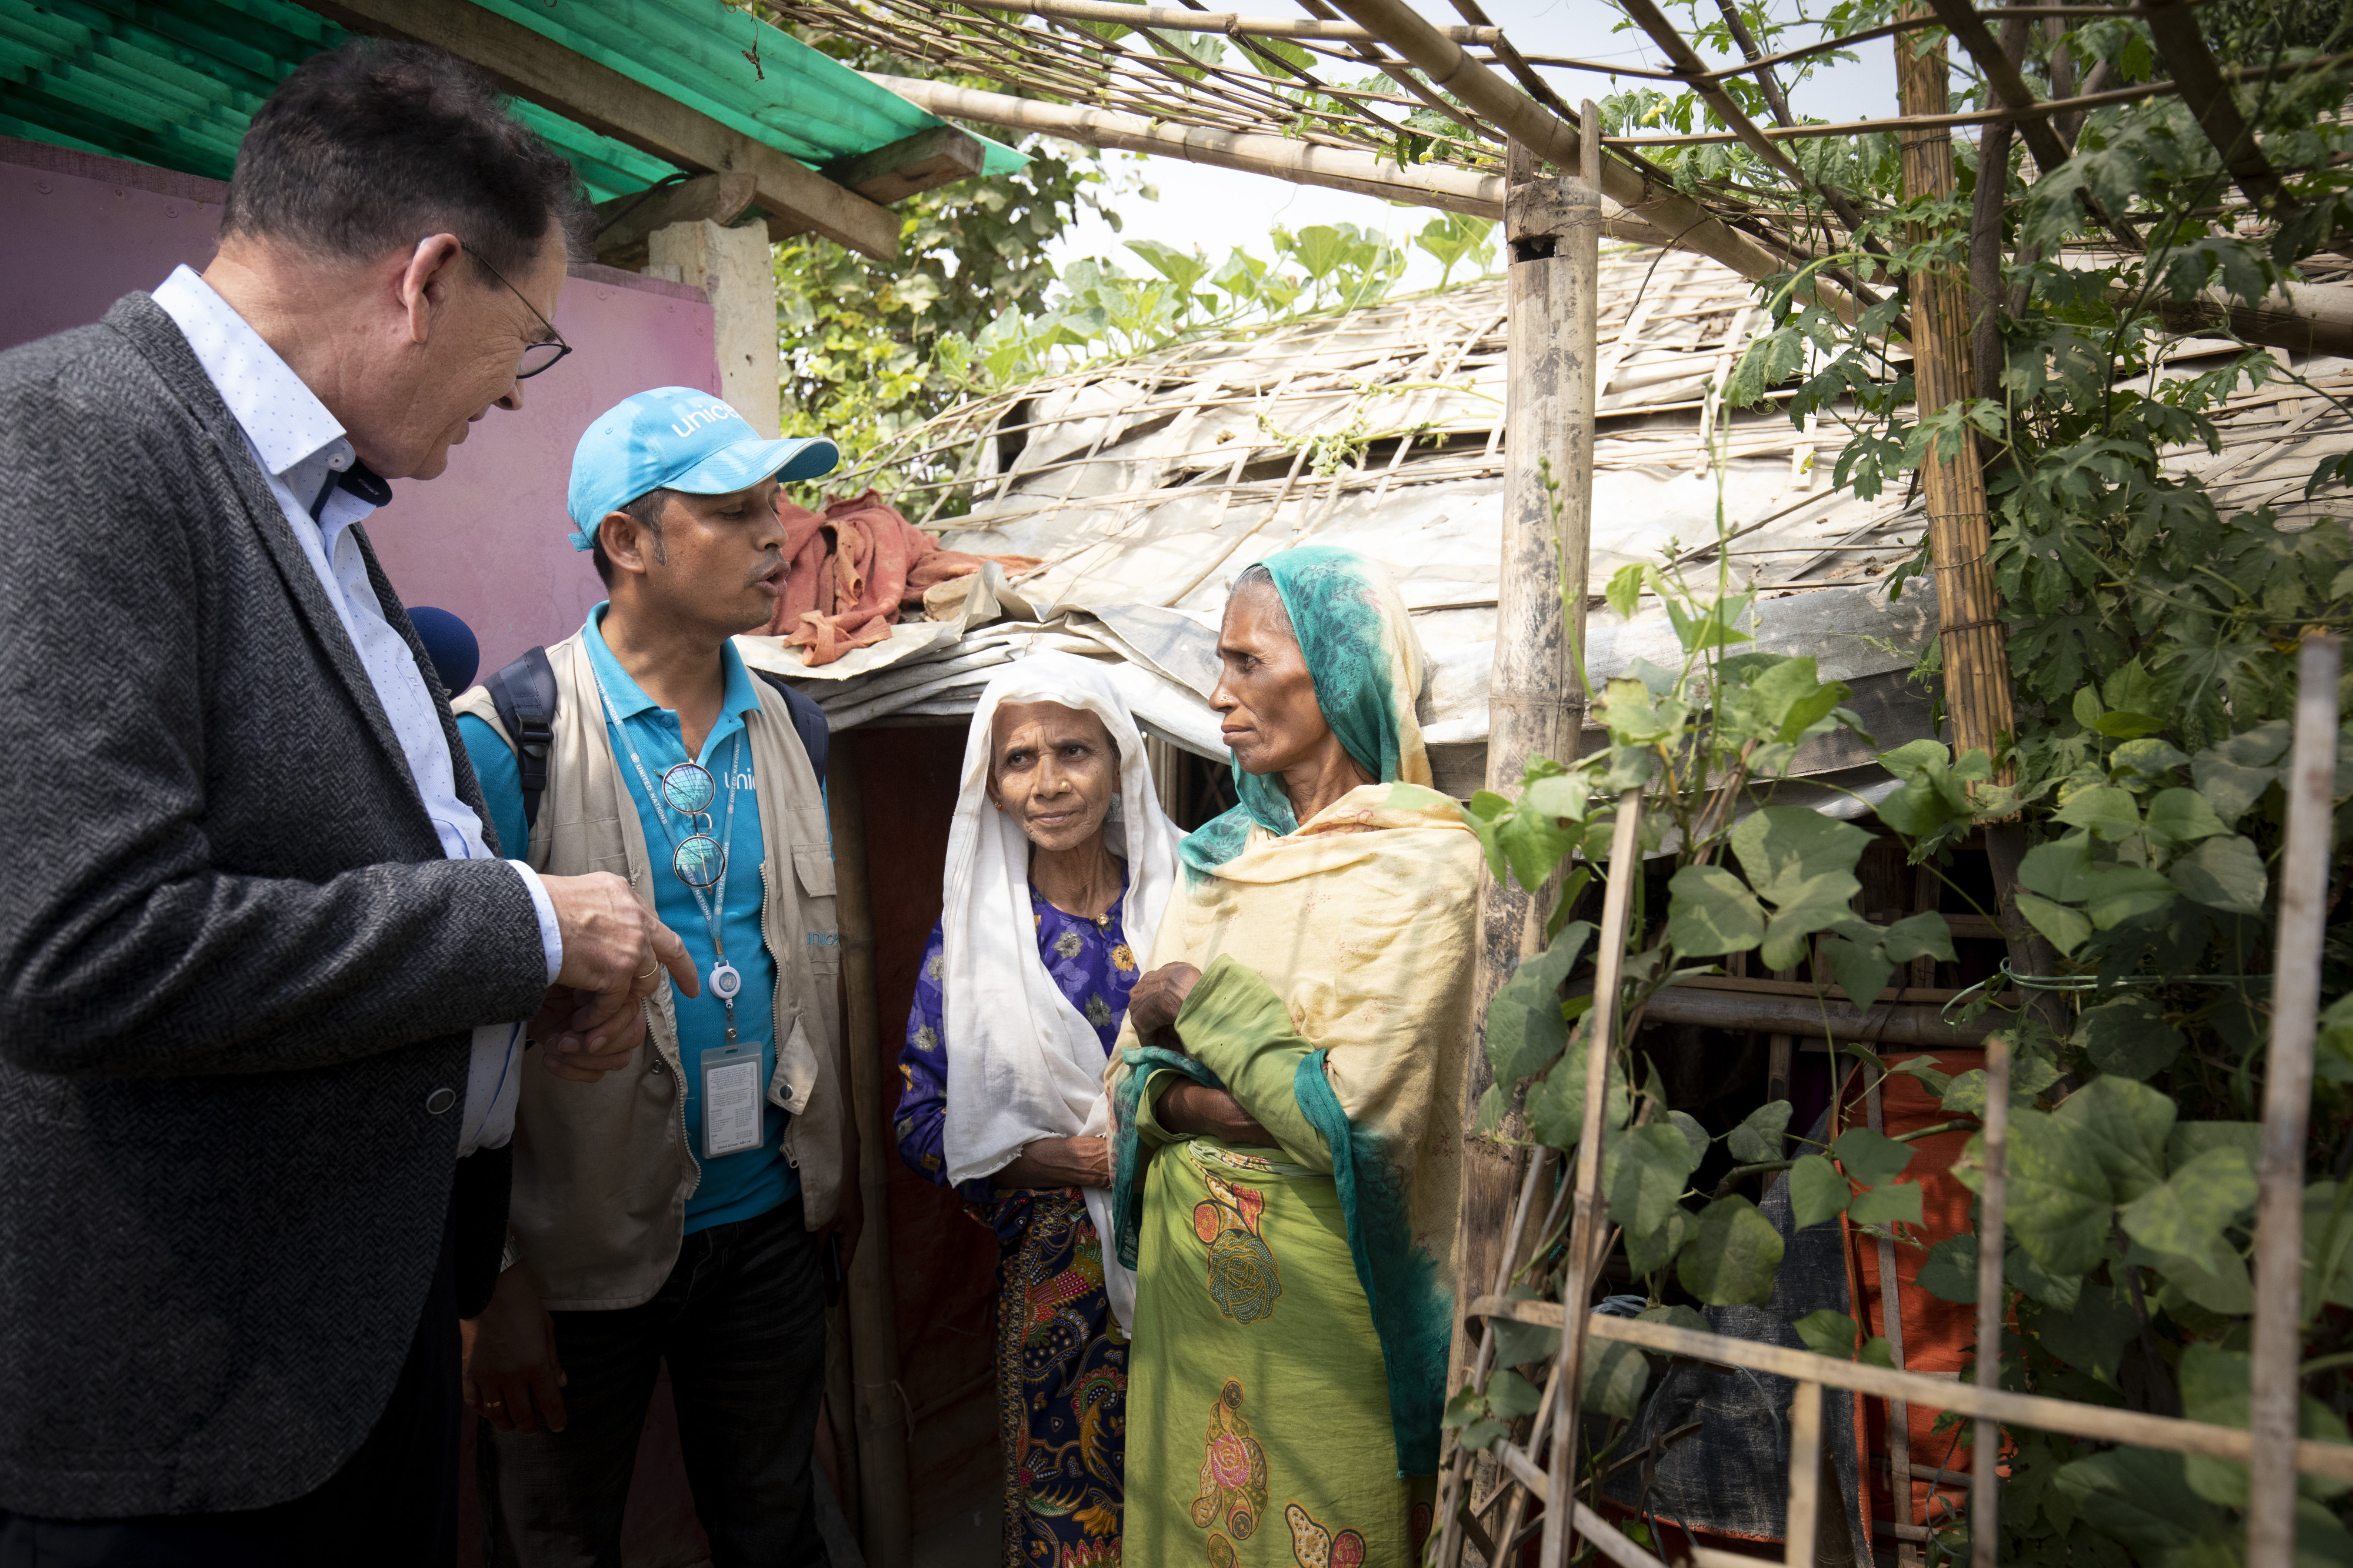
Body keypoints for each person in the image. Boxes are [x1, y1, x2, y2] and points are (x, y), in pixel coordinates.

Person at [0, 41, 693, 1567]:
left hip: (348, 1367)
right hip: (182, 1438)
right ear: (425, 278)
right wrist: (517, 929)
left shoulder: (314, 509)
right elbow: (76, 943)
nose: (520, 391)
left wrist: (515, 1002)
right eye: (530, 339)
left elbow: (328, 875)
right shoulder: (71, 443)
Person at [452, 386, 857, 1566]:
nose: (778, 536)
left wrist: (827, 1195)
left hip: (771, 1229)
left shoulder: (796, 727)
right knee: (559, 1541)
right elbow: (451, 1037)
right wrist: (492, 1281)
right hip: (570, 1258)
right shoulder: (504, 737)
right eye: (734, 512)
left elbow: (805, 977)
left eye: (776, 502)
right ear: (626, 543)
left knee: (772, 1528)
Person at [1104, 548, 1482, 1568]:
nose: (1219, 695)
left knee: (1329, 1524)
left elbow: (1353, 1117)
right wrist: (1213, 1101)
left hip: (1330, 1307)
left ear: (1342, 674)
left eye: (1248, 663)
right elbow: (1125, 1080)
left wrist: (1193, 1004)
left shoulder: (1426, 861)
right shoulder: (1220, 858)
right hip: (1191, 1302)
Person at [896, 652, 1184, 1568]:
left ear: (1120, 762)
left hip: (1202, 1261)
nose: (1049, 783)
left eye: (1074, 750)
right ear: (991, 780)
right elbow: (920, 1119)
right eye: (1019, 758)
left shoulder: (1180, 905)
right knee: (1078, 1535)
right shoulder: (977, 943)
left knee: (1213, 1502)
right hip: (1059, 1291)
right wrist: (1073, 1161)